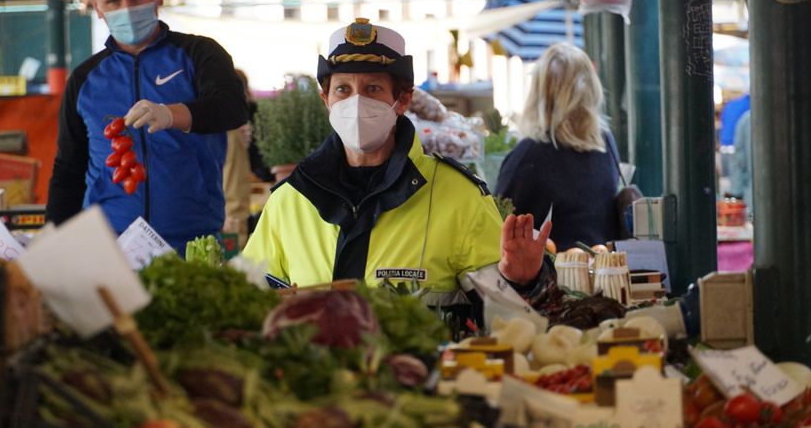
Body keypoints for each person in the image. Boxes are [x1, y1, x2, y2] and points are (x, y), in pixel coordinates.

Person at [241, 18, 554, 318]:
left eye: (373, 88)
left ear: (402, 100)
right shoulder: (290, 200)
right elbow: (250, 300)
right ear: (326, 100)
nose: (356, 102)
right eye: (343, 90)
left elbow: (509, 317)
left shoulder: (459, 197)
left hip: (421, 371)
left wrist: (524, 280)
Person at [46, 0, 247, 253]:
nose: (127, 8)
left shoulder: (199, 53)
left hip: (193, 242)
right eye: (114, 1)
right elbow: (69, 169)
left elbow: (232, 108)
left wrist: (172, 114)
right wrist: (52, 242)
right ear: (97, 7)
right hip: (108, 248)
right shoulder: (84, 79)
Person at [493, 42, 620, 251]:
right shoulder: (605, 143)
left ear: (538, 93)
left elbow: (497, 225)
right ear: (591, 89)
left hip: (555, 278)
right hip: (606, 271)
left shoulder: (530, 155)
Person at [222, 69, 255, 249]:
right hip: (224, 222)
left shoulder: (230, 133)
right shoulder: (228, 133)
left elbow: (235, 195)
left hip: (226, 226)